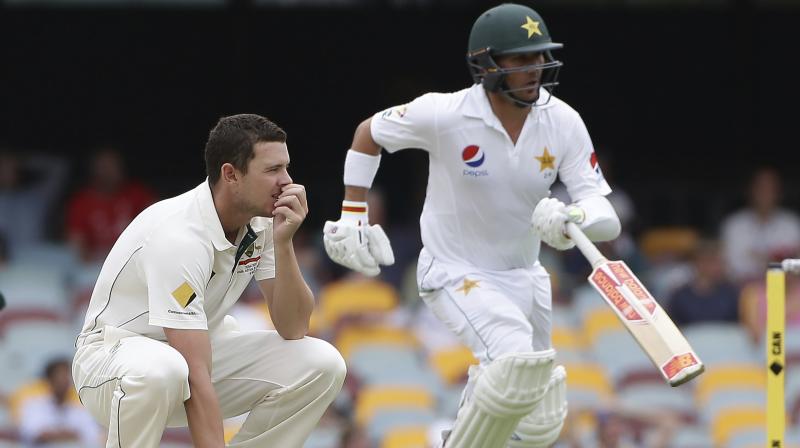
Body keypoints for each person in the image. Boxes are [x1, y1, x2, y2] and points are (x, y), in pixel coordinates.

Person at [322, 4, 620, 447]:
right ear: (487, 64)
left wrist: (573, 216)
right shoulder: (445, 114)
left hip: (525, 277)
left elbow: (606, 219)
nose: (534, 68)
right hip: (454, 270)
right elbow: (369, 133)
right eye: (520, 59)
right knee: (514, 360)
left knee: (540, 424)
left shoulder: (563, 121)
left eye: (539, 56)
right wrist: (353, 213)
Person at [72, 114, 346, 448]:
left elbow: (294, 326)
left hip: (189, 359)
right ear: (231, 174)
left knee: (321, 364)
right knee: (165, 369)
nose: (287, 182)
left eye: (286, 168)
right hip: (110, 365)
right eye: (272, 170)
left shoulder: (262, 222)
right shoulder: (179, 236)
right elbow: (194, 372)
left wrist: (285, 242)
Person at [66, 147, 157, 261]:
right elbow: (76, 244)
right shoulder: (81, 202)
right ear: (94, 170)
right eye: (105, 167)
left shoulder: (138, 194)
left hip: (135, 260)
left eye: (115, 166)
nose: (111, 172)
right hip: (98, 264)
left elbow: (159, 225)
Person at [721, 167, 800, 283]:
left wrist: (765, 262)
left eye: (770, 189)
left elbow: (797, 265)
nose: (765, 194)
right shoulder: (734, 225)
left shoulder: (792, 224)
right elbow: (731, 266)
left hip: (783, 287)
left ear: (779, 193)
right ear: (750, 191)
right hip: (742, 288)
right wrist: (774, 261)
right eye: (760, 188)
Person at [18, 358, 101, 447]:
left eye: (67, 376)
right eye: (60, 376)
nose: (65, 381)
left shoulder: (79, 410)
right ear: (49, 380)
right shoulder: (34, 406)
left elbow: (91, 436)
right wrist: (70, 434)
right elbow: (34, 435)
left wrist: (56, 434)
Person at [665, 239, 740, 327]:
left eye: (721, 262)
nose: (720, 266)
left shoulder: (731, 293)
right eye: (714, 262)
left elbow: (737, 326)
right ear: (700, 263)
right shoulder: (680, 296)